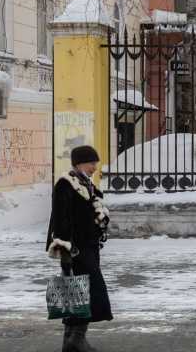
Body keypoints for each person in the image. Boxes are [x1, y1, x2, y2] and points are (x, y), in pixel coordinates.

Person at [47, 145, 112, 352]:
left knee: (78, 292)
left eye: (95, 163)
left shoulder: (86, 184)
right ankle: (76, 339)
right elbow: (61, 221)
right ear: (79, 163)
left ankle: (70, 341)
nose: (95, 167)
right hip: (76, 250)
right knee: (85, 291)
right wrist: (65, 253)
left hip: (89, 248)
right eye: (92, 163)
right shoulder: (65, 185)